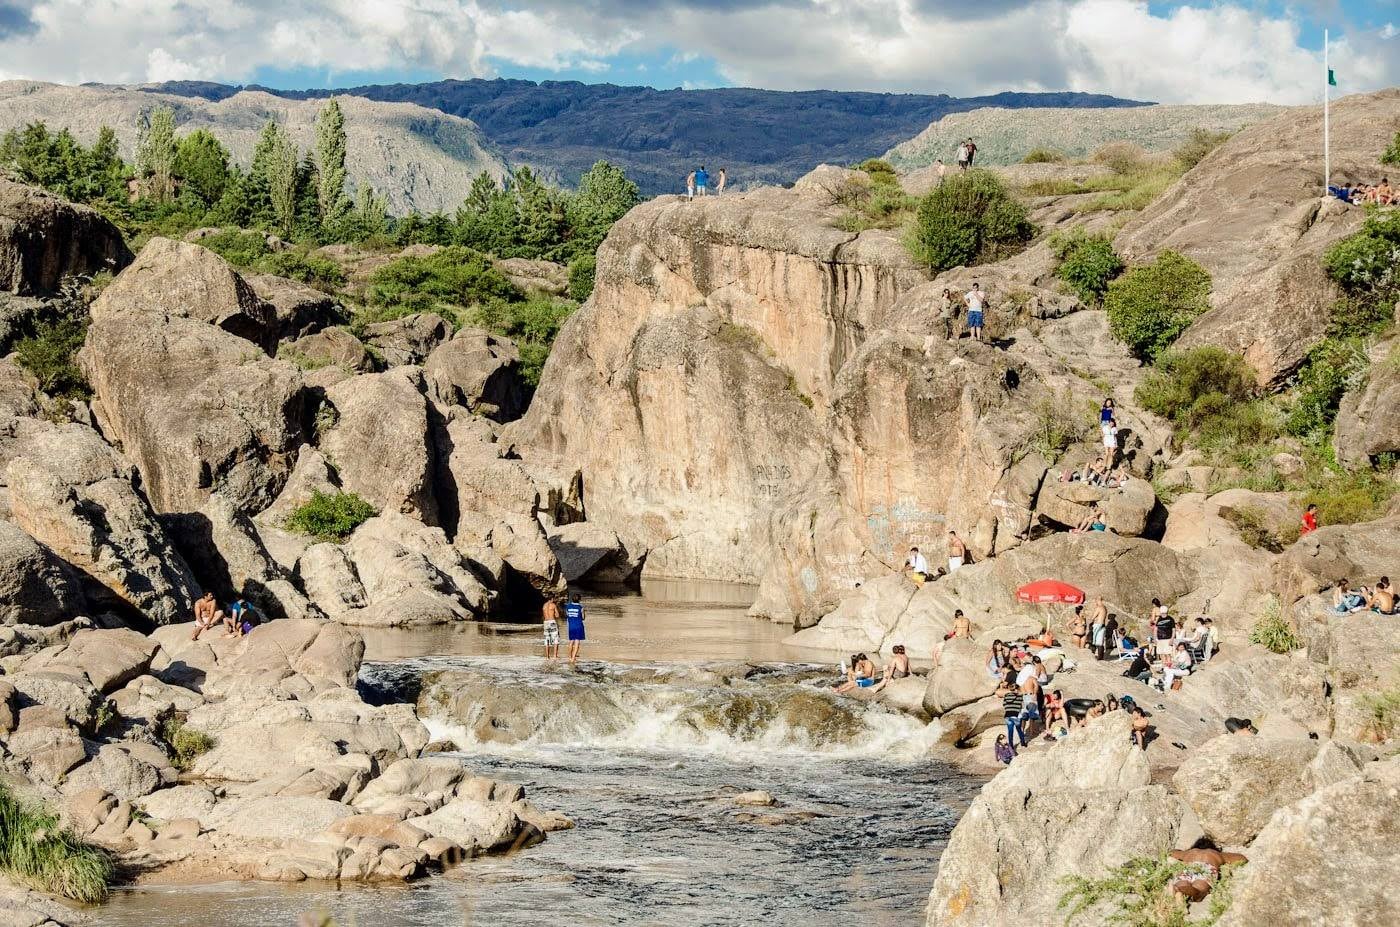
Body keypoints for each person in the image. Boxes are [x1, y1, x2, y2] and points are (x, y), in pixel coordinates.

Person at [1169, 839, 1247, 903]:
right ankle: (1182, 892)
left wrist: (1181, 851)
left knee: (1182, 882)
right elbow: (1241, 858)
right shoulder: (1216, 853)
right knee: (1199, 891)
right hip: (1206, 867)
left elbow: (1171, 853)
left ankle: (1177, 889)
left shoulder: (1189, 852)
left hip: (1189, 866)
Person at [998, 670, 1027, 748]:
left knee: (1010, 731)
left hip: (1007, 715)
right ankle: (1023, 743)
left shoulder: (1007, 695)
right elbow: (1022, 705)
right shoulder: (1020, 696)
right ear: (1016, 689)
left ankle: (1011, 745)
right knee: (1019, 730)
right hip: (1016, 715)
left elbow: (1004, 704)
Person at [565, 592, 586, 665]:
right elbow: (583, 618)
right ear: (579, 599)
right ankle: (573, 658)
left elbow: (567, 615)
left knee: (571, 641)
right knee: (577, 642)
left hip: (571, 626)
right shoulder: (580, 607)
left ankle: (570, 657)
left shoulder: (568, 606)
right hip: (578, 626)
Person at [542, 597, 562, 661]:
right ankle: (555, 656)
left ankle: (547, 657)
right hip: (552, 622)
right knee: (556, 638)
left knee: (547, 639)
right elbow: (557, 615)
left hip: (545, 622)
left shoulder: (544, 605)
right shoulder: (553, 605)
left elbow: (544, 615)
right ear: (552, 598)